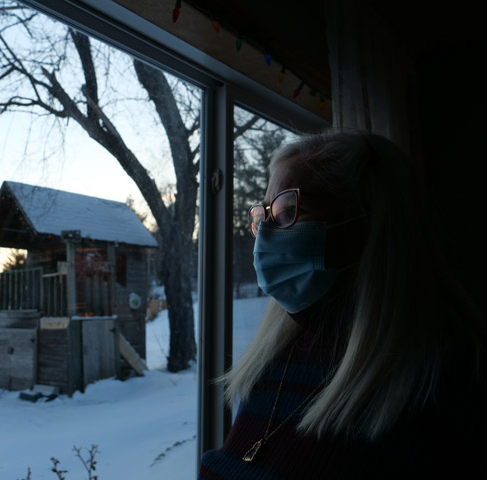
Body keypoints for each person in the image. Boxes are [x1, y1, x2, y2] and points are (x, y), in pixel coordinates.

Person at [198, 130, 487, 479]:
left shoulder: (442, 379)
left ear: (367, 220)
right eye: (263, 217)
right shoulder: (276, 356)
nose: (266, 235)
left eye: (288, 210)